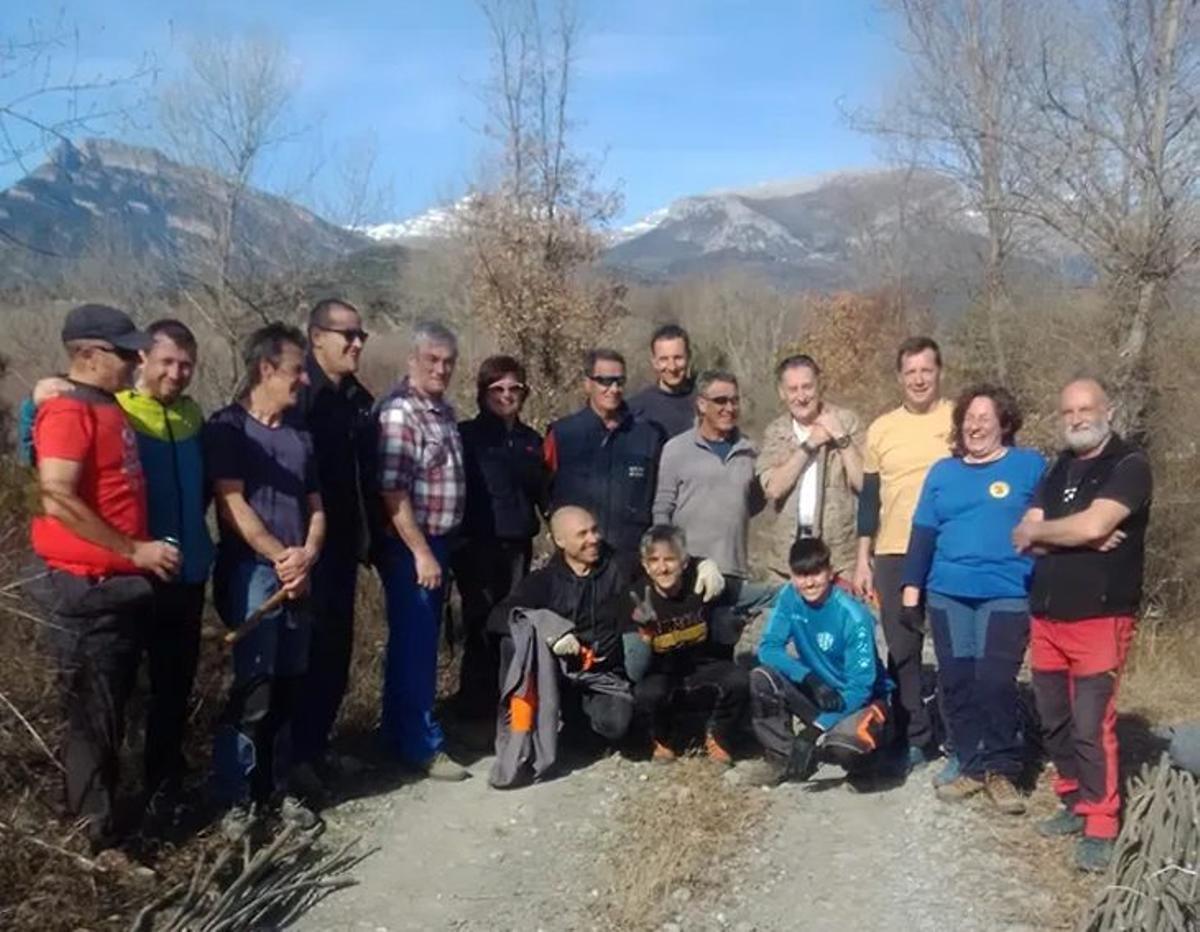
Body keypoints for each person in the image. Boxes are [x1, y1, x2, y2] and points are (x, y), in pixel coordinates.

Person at [27, 319, 214, 820]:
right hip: (121, 573)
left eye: (187, 364)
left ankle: (162, 791)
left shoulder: (192, 416)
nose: (176, 372)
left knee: (172, 690)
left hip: (182, 570)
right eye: (164, 361)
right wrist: (35, 400)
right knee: (110, 701)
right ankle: (99, 821)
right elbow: (52, 481)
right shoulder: (103, 408)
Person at [1012, 378, 1152, 872]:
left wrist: (1071, 532)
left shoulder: (1129, 466)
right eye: (1068, 410)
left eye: (1085, 408)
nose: (1076, 417)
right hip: (1047, 615)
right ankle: (1072, 797)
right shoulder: (1057, 469)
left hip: (1100, 617)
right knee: (1054, 717)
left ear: (1106, 410)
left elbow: (1094, 524)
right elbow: (1023, 536)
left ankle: (1101, 822)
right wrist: (1078, 535)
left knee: (1093, 724)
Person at [900, 385, 1045, 815]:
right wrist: (912, 589)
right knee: (957, 680)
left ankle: (1003, 768)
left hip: (1006, 591)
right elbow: (923, 531)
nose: (976, 425)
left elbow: (1050, 526)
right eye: (969, 418)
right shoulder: (943, 472)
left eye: (986, 417)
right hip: (948, 592)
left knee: (996, 681)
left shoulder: (1030, 466)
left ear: (1004, 423)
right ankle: (972, 762)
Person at [206, 323, 325, 835]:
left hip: (298, 574)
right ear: (266, 368)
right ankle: (237, 797)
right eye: (297, 370)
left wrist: (309, 555)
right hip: (252, 574)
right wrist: (283, 559)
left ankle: (280, 790)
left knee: (290, 687)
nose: (303, 380)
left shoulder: (300, 432)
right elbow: (232, 506)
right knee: (252, 687)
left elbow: (317, 506)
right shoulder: (227, 427)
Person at [489, 506, 726, 748]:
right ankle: (520, 733)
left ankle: (578, 723)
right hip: (558, 673)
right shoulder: (544, 581)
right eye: (582, 534)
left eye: (594, 530)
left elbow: (664, 562)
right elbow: (499, 617)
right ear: (559, 541)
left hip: (605, 674)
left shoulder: (621, 565)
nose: (594, 539)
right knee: (512, 643)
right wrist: (551, 631)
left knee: (615, 726)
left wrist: (703, 564)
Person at [852, 336, 954, 770]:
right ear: (899, 377)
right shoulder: (881, 428)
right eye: (910, 372)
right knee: (903, 647)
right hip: (893, 551)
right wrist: (863, 556)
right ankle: (915, 735)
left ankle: (957, 731)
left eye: (926, 370)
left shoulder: (958, 419)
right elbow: (869, 498)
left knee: (953, 645)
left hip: (950, 550)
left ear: (939, 373)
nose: (918, 379)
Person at [374, 320, 467, 781]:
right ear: (412, 360)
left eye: (448, 361)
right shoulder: (400, 413)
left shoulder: (442, 411)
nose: (440, 368)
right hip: (415, 547)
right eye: (431, 359)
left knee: (417, 642)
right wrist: (420, 552)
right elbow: (392, 492)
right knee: (416, 646)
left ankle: (396, 734)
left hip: (440, 542)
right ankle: (421, 745)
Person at [289, 299, 376, 792]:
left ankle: (317, 748)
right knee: (301, 656)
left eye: (361, 334)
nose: (357, 343)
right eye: (347, 334)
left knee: (333, 653)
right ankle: (292, 761)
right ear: (315, 336)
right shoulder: (298, 392)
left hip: (343, 545)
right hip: (300, 549)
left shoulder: (354, 397)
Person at [653, 369, 774, 655]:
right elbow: (662, 509)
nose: (729, 408)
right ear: (701, 404)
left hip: (732, 570)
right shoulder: (676, 449)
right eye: (720, 400)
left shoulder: (749, 450)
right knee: (684, 654)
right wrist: (666, 563)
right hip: (688, 573)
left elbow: (753, 503)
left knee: (722, 655)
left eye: (734, 401)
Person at [750, 538, 891, 784]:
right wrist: (808, 677)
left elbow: (861, 686)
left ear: (830, 572)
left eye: (816, 573)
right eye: (801, 575)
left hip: (859, 700)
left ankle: (876, 750)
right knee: (762, 678)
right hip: (820, 691)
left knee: (844, 751)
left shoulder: (853, 616)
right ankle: (784, 758)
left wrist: (816, 728)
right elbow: (769, 649)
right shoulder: (790, 596)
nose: (809, 582)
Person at [452, 355, 545, 719]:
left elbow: (543, 494)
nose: (506, 395)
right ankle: (473, 710)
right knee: (478, 626)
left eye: (514, 388)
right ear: (483, 392)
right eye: (497, 388)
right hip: (476, 546)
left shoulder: (531, 441)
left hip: (518, 547)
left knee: (514, 624)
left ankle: (511, 706)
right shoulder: (465, 437)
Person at [629, 525, 749, 766]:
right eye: (653, 560)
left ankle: (718, 736)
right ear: (645, 565)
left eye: (670, 560)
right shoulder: (635, 596)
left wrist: (800, 588)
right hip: (661, 672)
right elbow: (634, 670)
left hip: (703, 667)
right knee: (647, 693)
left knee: (739, 679)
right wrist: (644, 631)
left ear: (684, 562)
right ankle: (662, 738)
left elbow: (761, 595)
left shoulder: (702, 581)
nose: (662, 568)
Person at [544, 349, 665, 554]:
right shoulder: (562, 434)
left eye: (619, 381)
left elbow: (659, 496)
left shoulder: (649, 435)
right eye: (605, 381)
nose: (614, 389)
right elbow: (544, 492)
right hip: (577, 558)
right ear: (587, 384)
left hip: (630, 555)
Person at [758, 354, 864, 577]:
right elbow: (773, 488)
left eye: (807, 387)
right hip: (787, 560)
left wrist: (840, 437)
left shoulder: (847, 421)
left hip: (839, 559)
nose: (801, 396)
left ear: (819, 385)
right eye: (793, 389)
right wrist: (810, 444)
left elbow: (863, 483)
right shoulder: (776, 432)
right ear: (782, 393)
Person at [628, 323, 696, 438]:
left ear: (688, 357)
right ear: (654, 362)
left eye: (678, 358)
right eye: (664, 359)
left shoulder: (707, 401)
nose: (672, 367)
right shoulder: (636, 409)